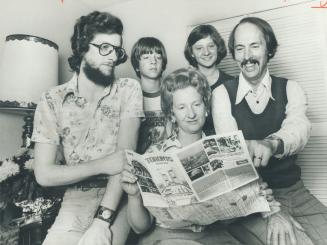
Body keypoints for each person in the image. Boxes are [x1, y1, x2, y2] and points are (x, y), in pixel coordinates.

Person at [120, 67, 275, 245]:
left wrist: (256, 197)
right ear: (172, 114)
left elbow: (229, 214)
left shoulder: (224, 149)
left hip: (213, 235)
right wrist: (133, 195)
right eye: (181, 107)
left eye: (196, 104)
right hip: (168, 237)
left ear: (206, 108)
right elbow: (141, 227)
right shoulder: (154, 155)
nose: (191, 114)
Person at [31, 11, 143, 245]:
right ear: (82, 47)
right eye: (104, 48)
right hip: (75, 199)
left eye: (116, 49)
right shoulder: (52, 100)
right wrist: (102, 164)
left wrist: (102, 220)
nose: (112, 56)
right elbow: (44, 174)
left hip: (119, 196)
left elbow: (124, 161)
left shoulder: (128, 90)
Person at [212, 16, 327, 245]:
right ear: (234, 54)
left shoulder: (291, 88)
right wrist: (272, 211)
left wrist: (272, 144)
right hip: (250, 200)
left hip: (296, 192)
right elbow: (233, 161)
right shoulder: (222, 94)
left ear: (269, 49)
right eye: (240, 48)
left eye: (255, 46)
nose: (247, 56)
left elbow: (298, 128)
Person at [184, 24, 233, 135]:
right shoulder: (184, 83)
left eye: (211, 46)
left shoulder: (232, 83)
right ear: (192, 52)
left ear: (218, 48)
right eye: (199, 48)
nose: (206, 52)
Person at [131, 37, 169, 154]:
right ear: (137, 65)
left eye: (158, 57)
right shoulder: (130, 98)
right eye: (146, 57)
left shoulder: (172, 95)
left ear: (163, 64)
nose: (153, 61)